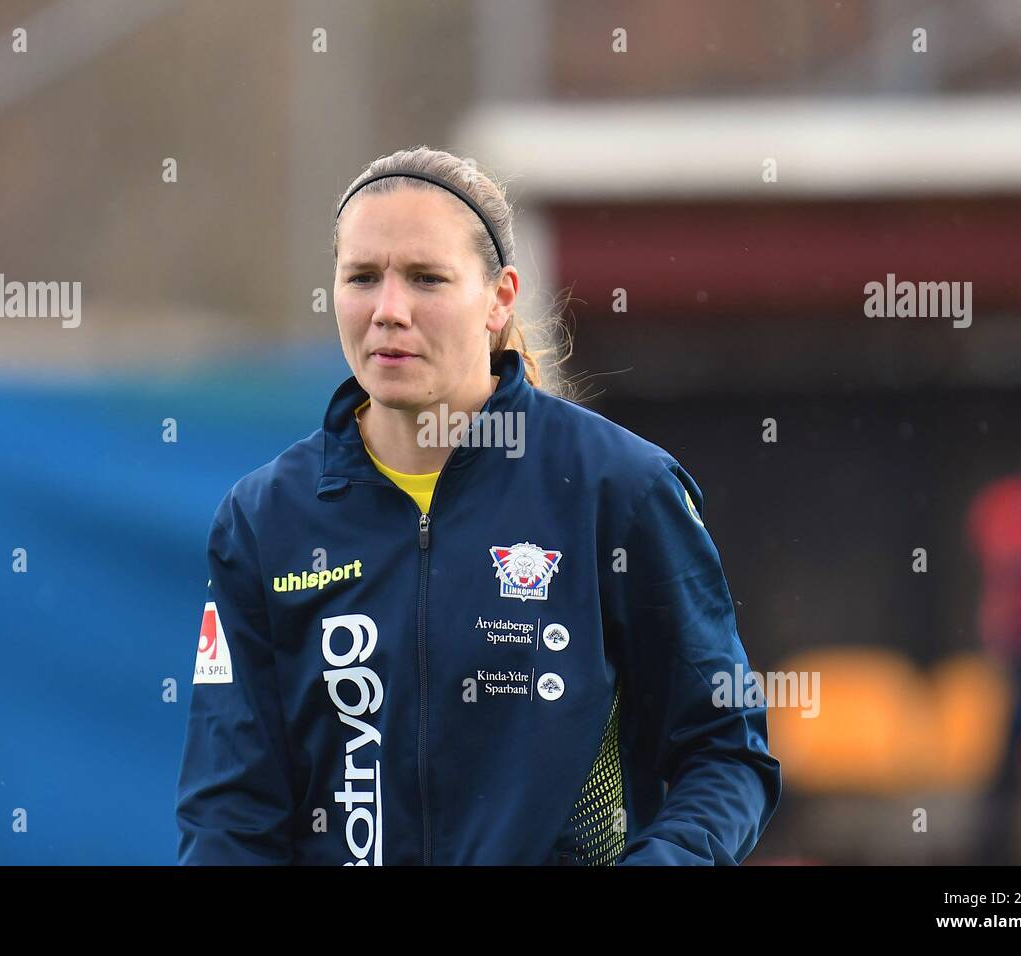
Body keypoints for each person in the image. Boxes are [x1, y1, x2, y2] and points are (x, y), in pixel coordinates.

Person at [175, 146, 781, 865]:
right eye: (363, 277)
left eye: (426, 279)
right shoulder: (264, 519)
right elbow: (229, 813)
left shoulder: (619, 491)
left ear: (499, 299)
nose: (388, 311)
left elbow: (725, 753)